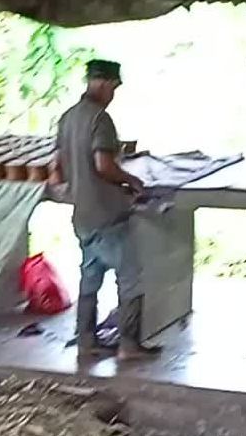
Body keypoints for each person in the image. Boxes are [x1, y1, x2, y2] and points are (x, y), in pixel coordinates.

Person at [54, 60, 162, 361]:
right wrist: (131, 181)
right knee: (130, 276)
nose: (114, 94)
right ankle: (129, 344)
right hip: (107, 215)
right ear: (103, 84)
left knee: (90, 276)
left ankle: (86, 340)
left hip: (83, 216)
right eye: (114, 87)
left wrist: (78, 187)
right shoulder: (99, 119)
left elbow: (57, 168)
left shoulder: (67, 118)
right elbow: (103, 165)